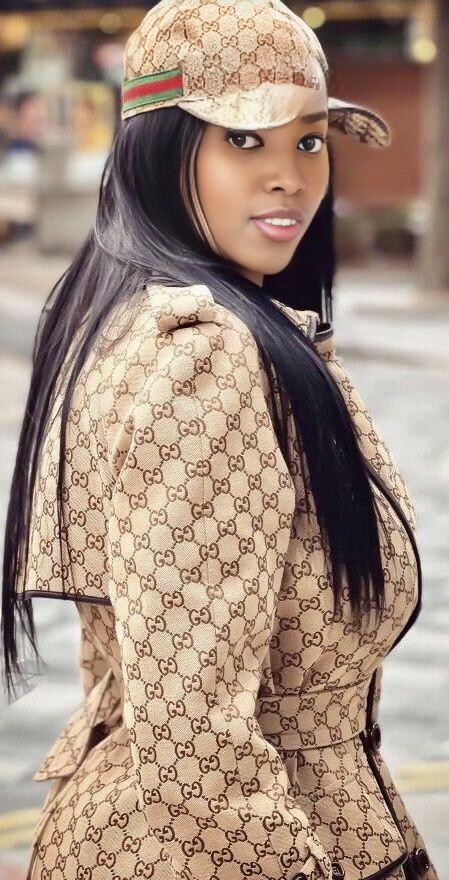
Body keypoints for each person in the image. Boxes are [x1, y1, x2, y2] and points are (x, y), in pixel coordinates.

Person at [0, 1, 438, 879]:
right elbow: (193, 740)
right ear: (157, 152)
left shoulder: (131, 318)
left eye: (308, 140)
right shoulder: (204, 359)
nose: (289, 176)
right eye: (243, 140)